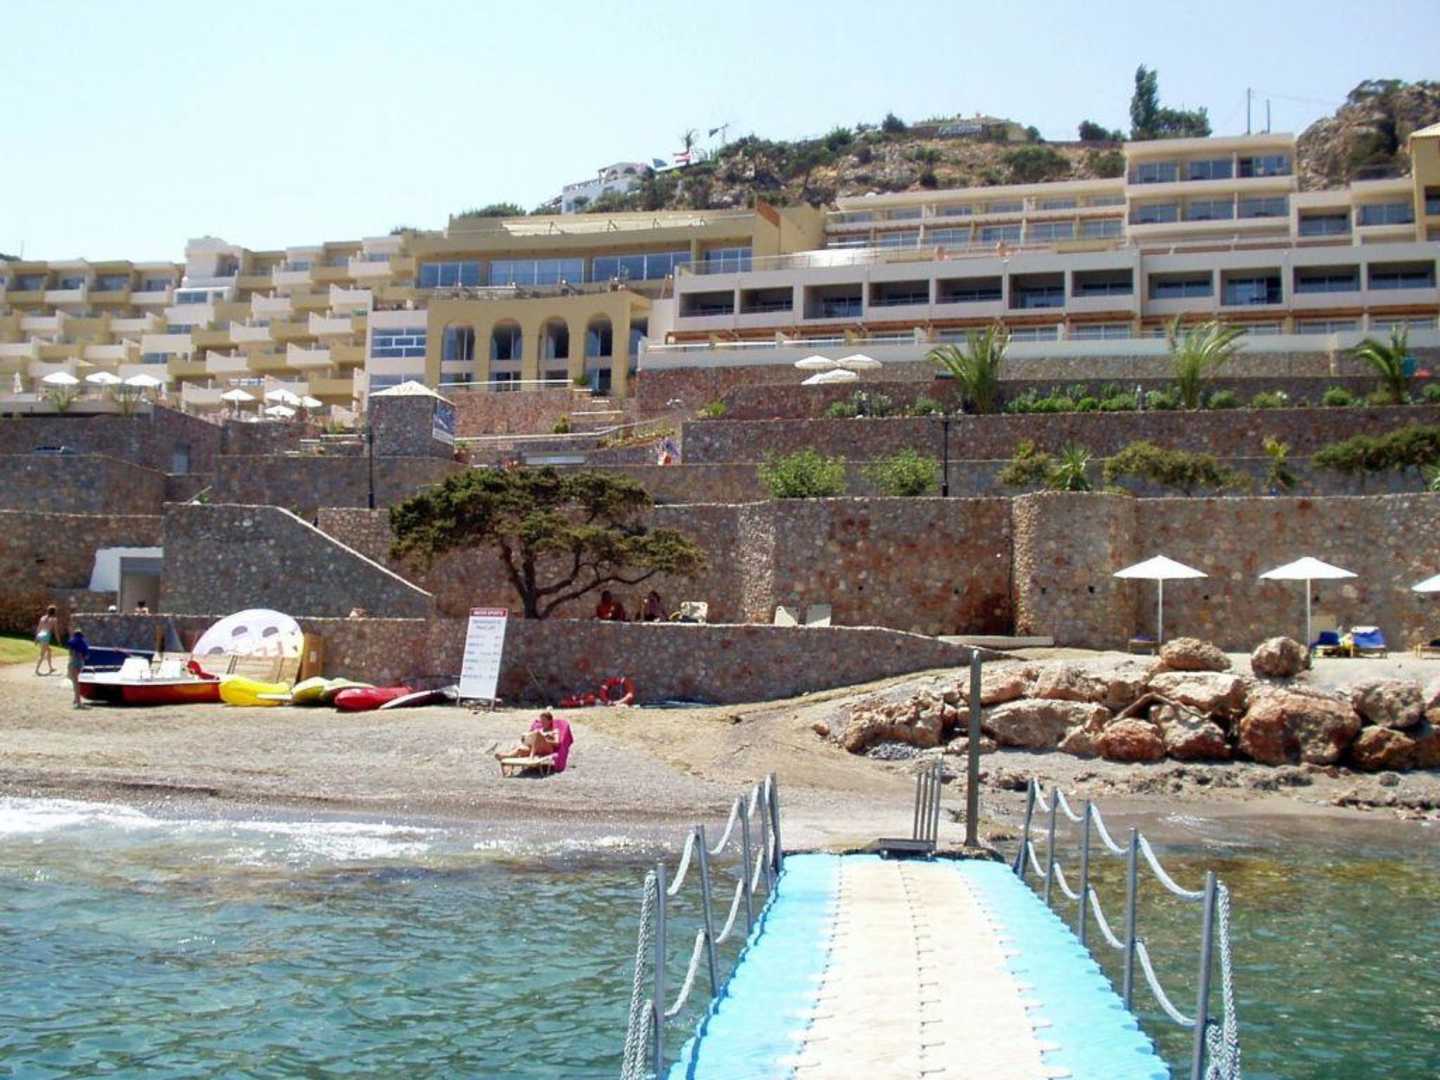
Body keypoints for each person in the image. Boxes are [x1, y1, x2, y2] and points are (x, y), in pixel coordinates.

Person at [495, 711, 574, 773]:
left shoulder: (554, 731)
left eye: (544, 720)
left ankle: (531, 757)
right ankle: (506, 756)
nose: (542, 722)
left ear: (550, 721)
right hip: (535, 748)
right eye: (541, 720)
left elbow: (557, 743)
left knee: (537, 734)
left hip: (547, 749)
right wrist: (525, 738)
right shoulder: (539, 730)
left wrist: (544, 740)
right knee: (520, 748)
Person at [65, 630, 90, 708]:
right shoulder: (84, 643)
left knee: (75, 682)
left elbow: (69, 649)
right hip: (81, 662)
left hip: (73, 661)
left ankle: (79, 702)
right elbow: (86, 656)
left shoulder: (72, 641)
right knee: (75, 680)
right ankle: (76, 699)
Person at [34, 605, 58, 676]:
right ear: (54, 612)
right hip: (46, 636)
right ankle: (36, 670)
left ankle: (51, 668)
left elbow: (38, 628)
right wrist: (58, 640)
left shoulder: (43, 618)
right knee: (42, 654)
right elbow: (56, 631)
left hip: (41, 635)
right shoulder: (54, 619)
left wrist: (36, 638)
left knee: (49, 651)